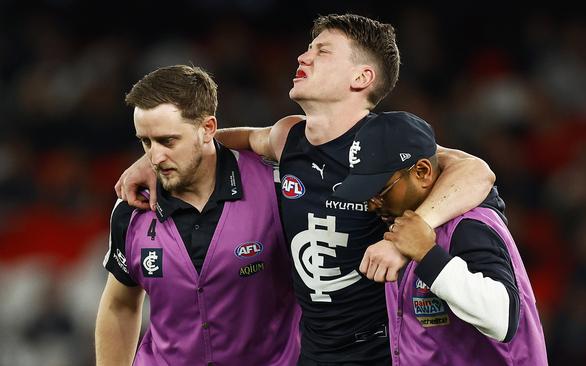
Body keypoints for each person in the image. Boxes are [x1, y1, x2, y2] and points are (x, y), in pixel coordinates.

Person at [116, 14, 496, 365]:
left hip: (386, 350)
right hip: (315, 352)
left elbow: (476, 171)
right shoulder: (288, 136)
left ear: (361, 78)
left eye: (322, 51)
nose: (304, 56)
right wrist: (152, 158)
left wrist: (409, 235)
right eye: (308, 47)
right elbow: (224, 139)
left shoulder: (388, 143)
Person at [95, 65, 300, 365]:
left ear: (208, 129)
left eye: (168, 141)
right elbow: (119, 305)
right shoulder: (131, 208)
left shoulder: (276, 188)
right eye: (146, 142)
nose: (154, 157)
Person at [332, 111, 548, 365]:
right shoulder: (400, 223)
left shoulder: (469, 225)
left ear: (422, 172)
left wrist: (428, 255)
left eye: (380, 190)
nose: (371, 204)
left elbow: (503, 317)